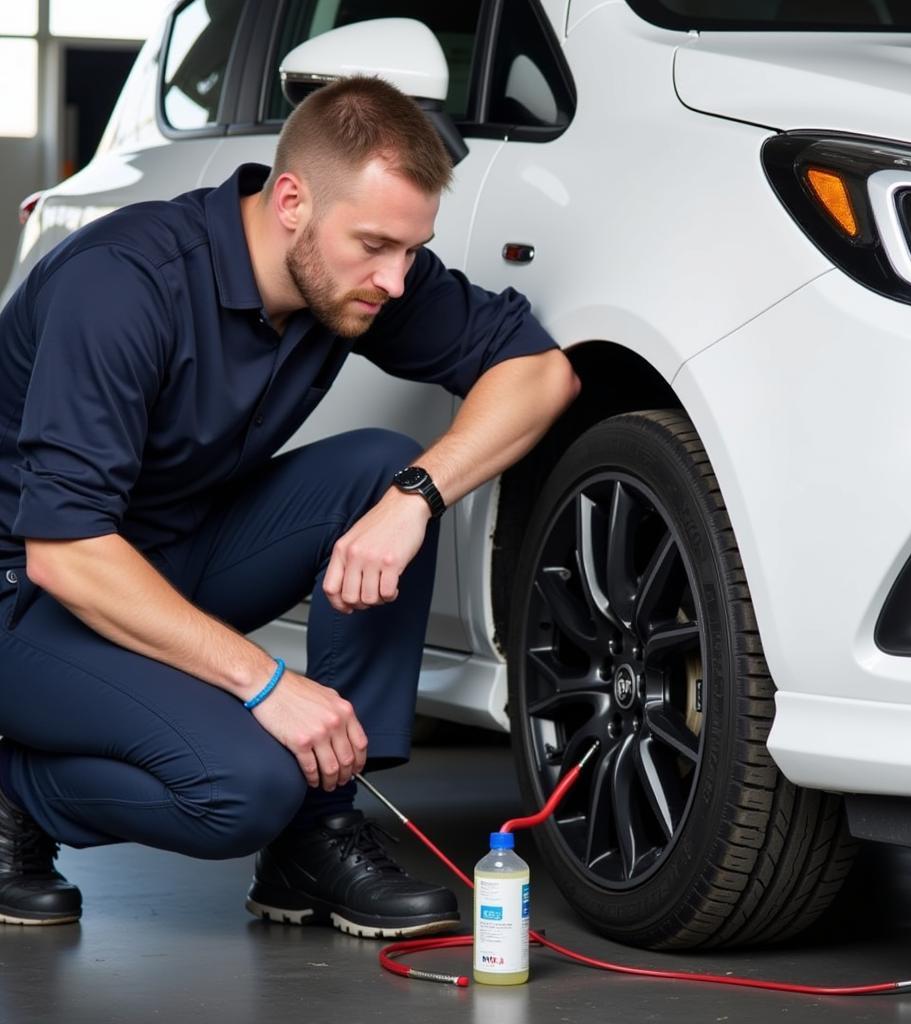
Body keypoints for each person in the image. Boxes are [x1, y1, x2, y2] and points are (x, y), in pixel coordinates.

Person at [0, 75, 579, 935]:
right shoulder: (123, 284)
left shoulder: (348, 276)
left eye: (411, 251)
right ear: (292, 201)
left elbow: (544, 373)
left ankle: (317, 838)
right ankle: (17, 797)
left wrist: (417, 497)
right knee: (244, 787)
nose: (393, 279)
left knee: (383, 470)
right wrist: (268, 682)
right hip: (30, 595)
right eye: (376, 245)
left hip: (156, 560)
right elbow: (67, 551)